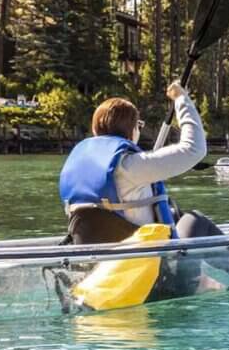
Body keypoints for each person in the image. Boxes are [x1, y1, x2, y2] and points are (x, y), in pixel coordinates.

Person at [58, 81, 210, 245]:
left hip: (95, 258)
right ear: (132, 131)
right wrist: (181, 98)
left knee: (174, 212)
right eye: (139, 125)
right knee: (196, 220)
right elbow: (194, 149)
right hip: (142, 258)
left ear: (96, 130)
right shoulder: (131, 165)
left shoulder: (75, 168)